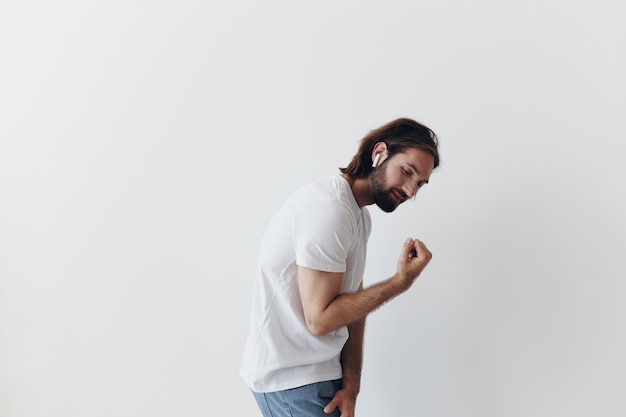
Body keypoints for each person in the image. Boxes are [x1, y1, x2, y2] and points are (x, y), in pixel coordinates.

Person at [240, 117, 441, 417]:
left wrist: (351, 384)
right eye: (407, 172)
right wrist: (400, 282)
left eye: (420, 184)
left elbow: (352, 303)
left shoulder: (358, 217)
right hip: (293, 381)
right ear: (379, 153)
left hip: (318, 375)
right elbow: (320, 320)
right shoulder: (329, 210)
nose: (411, 190)